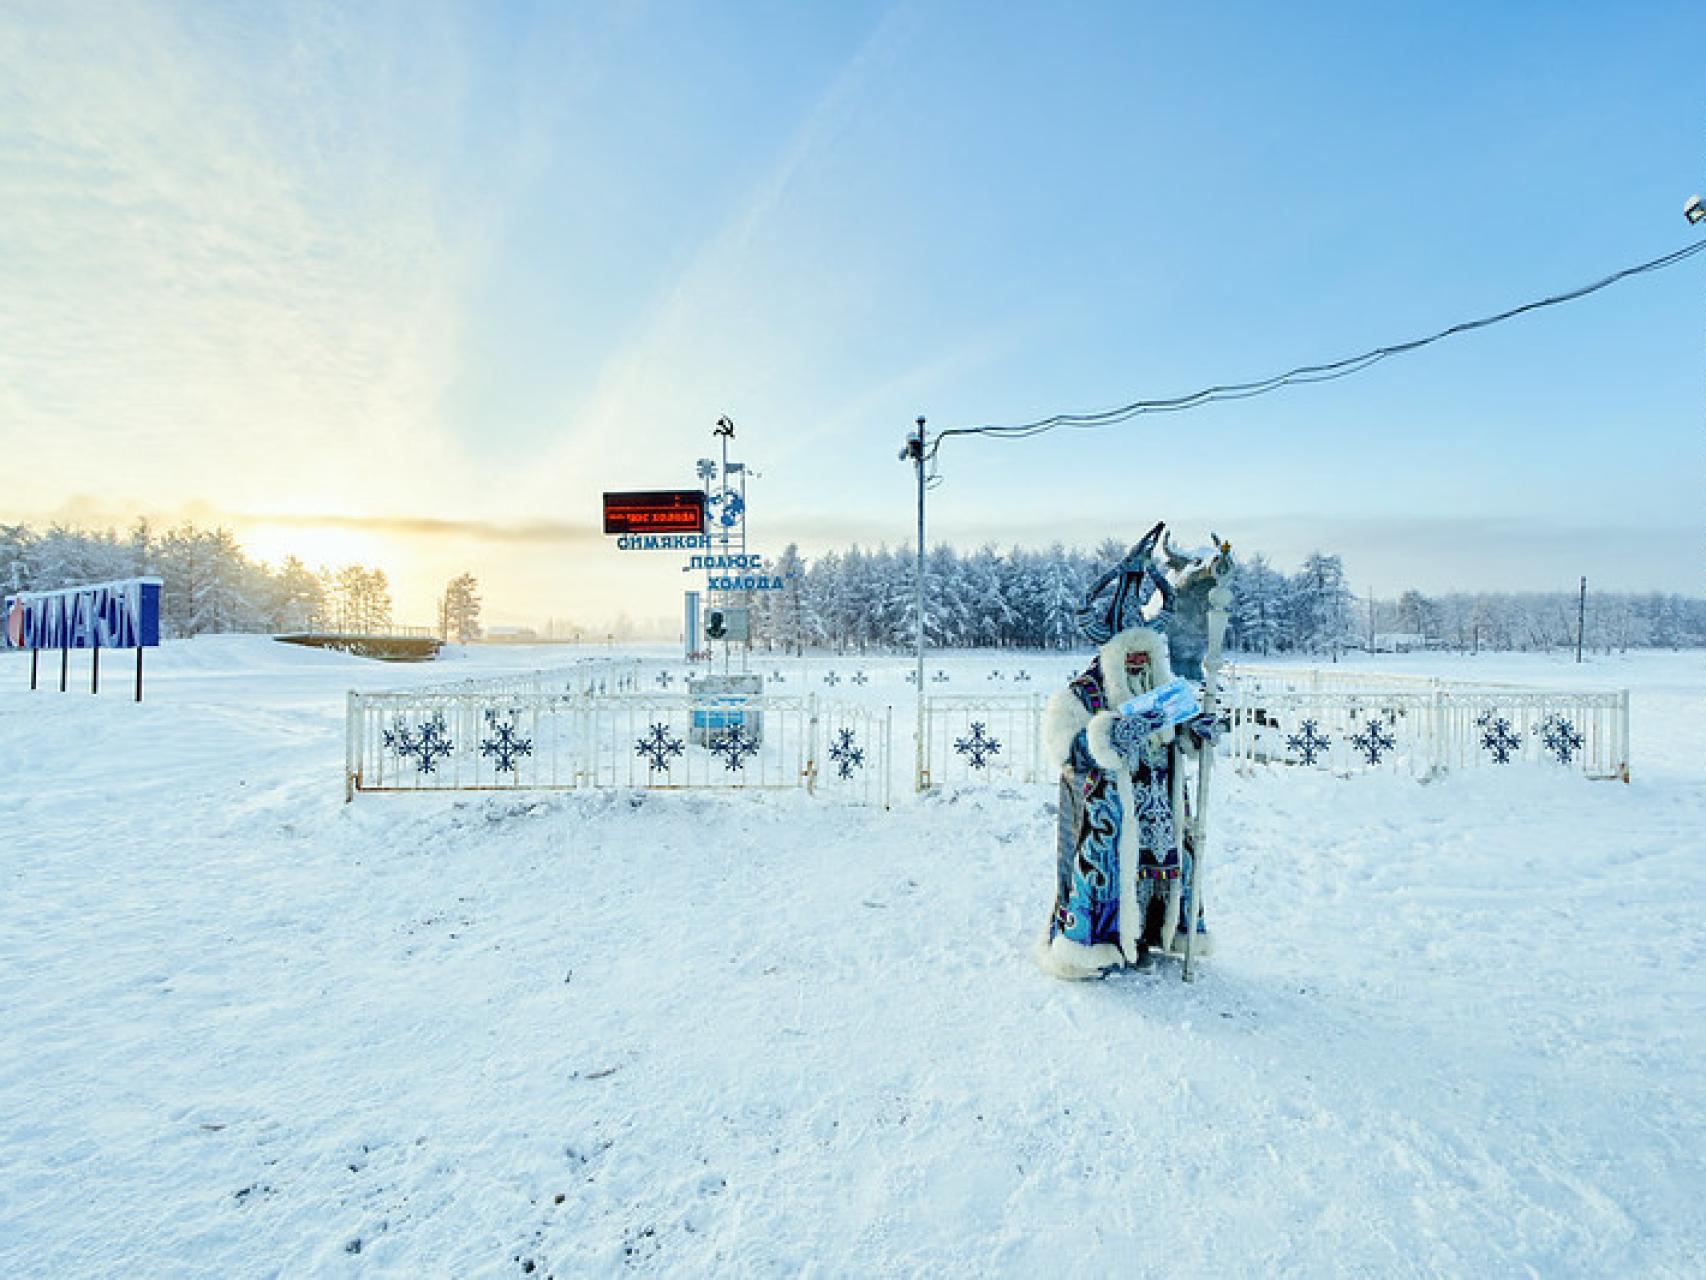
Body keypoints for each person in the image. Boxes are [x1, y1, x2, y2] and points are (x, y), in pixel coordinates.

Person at [1038, 526, 1217, 979]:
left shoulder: (1166, 691)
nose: (1138, 668)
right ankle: (1095, 945)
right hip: (1110, 813)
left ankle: (1153, 935)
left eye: (1145, 660)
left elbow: (1179, 739)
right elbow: (1064, 746)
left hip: (1162, 810)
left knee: (1166, 868)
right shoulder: (1085, 694)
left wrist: (1196, 731)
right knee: (1108, 870)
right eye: (1130, 661)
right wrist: (1105, 737)